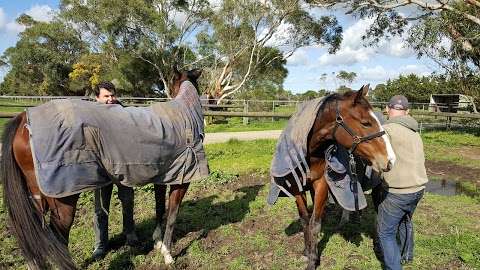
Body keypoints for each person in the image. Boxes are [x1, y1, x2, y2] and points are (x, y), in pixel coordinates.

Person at [375, 95, 429, 270]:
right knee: (405, 220)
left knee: (386, 233)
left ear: (388, 109)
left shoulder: (386, 130)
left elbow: (379, 161)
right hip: (419, 188)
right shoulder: (415, 131)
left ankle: (394, 267)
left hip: (398, 191)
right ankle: (407, 254)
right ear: (406, 111)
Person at [91, 81, 138, 259]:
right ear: (97, 98)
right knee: (101, 207)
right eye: (106, 96)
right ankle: (100, 244)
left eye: (113, 95)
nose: (111, 99)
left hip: (123, 166)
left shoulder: (123, 112)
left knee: (128, 200)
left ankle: (130, 232)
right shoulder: (91, 116)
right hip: (101, 170)